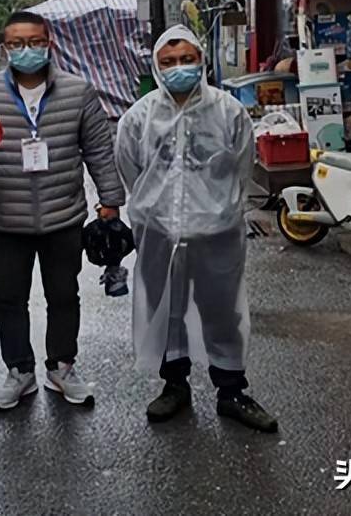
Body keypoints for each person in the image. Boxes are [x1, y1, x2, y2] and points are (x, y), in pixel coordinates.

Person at [0, 11, 125, 413]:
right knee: (8, 298)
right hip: (5, 219)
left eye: (35, 42)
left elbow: (98, 149)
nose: (27, 51)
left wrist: (110, 200)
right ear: (4, 48)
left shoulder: (79, 93)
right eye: (17, 44)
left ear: (50, 44)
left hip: (63, 216)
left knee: (64, 295)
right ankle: (19, 371)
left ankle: (62, 367)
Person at [115, 24, 277, 433]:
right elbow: (130, 169)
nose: (178, 68)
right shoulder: (140, 117)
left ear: (202, 60)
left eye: (187, 59)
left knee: (223, 311)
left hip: (218, 233)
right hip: (159, 233)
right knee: (167, 310)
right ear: (155, 65)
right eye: (168, 62)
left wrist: (219, 210)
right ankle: (174, 385)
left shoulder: (228, 111)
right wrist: (156, 210)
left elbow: (243, 167)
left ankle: (231, 391)